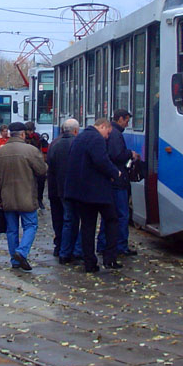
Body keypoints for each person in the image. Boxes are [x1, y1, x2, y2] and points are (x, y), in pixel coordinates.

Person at [63, 117, 122, 273]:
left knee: (88, 226)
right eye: (108, 132)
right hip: (97, 191)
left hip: (80, 192)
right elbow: (101, 160)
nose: (107, 137)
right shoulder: (96, 139)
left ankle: (89, 262)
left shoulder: (80, 137)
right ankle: (110, 258)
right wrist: (115, 173)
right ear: (102, 126)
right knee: (112, 220)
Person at [0, 122, 48, 271]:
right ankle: (21, 252)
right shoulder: (31, 151)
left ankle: (15, 261)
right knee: (31, 225)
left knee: (12, 230)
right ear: (23, 134)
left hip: (7, 199)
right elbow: (42, 171)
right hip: (27, 197)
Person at [99, 109, 140, 257]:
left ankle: (103, 244)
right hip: (118, 180)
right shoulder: (116, 134)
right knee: (122, 214)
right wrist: (130, 154)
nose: (127, 123)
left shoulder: (112, 133)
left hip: (112, 180)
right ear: (120, 119)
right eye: (127, 120)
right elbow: (117, 155)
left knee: (108, 215)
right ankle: (121, 246)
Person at [46, 118, 82, 262]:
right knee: (72, 219)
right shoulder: (77, 144)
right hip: (71, 189)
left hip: (55, 188)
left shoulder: (54, 144)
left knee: (58, 218)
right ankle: (69, 250)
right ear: (75, 131)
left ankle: (59, 246)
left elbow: (50, 165)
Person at [23, 121, 46, 205]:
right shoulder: (23, 138)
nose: (31, 132)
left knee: (41, 179)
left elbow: (44, 147)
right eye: (29, 131)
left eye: (32, 130)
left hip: (36, 160)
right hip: (26, 161)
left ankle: (39, 198)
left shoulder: (37, 137)